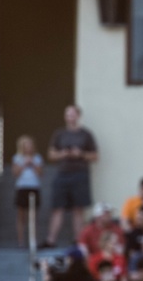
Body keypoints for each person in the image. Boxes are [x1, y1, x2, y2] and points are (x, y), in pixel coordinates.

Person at [44, 104, 98, 248]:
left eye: (73, 114)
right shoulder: (59, 134)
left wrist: (80, 154)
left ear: (78, 116)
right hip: (62, 174)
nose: (70, 117)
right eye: (68, 114)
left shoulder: (86, 135)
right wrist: (63, 154)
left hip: (80, 174)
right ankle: (51, 240)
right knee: (57, 208)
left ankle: (78, 240)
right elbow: (50, 154)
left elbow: (95, 156)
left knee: (78, 209)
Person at [11, 134, 43, 248]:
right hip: (21, 188)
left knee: (33, 216)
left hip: (34, 187)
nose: (28, 148)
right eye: (26, 145)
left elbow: (40, 173)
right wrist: (24, 164)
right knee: (21, 216)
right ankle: (21, 242)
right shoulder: (17, 158)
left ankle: (33, 241)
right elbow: (15, 173)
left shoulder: (37, 158)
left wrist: (33, 163)